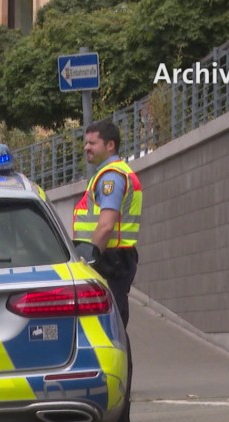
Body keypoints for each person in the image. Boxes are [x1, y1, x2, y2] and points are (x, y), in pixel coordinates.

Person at [72, 120, 143, 328]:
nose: (86, 148)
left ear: (110, 145)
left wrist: (87, 260)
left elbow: (106, 226)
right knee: (116, 325)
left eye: (92, 143)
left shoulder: (111, 177)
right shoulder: (114, 173)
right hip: (116, 260)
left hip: (109, 261)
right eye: (86, 143)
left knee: (111, 328)